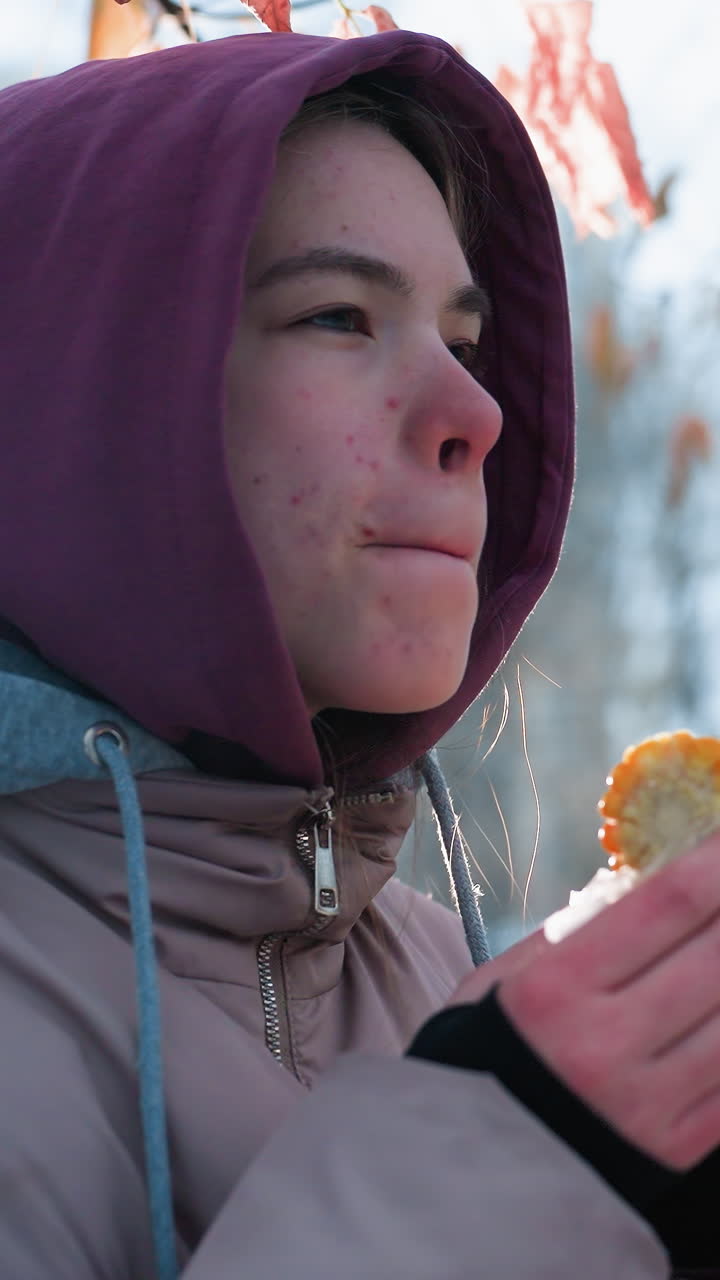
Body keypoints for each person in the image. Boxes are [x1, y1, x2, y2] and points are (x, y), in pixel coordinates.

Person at [0, 24, 717, 1280]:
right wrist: (484, 1175)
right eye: (339, 314)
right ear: (75, 401)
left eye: (466, 338)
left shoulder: (445, 965)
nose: (479, 413)